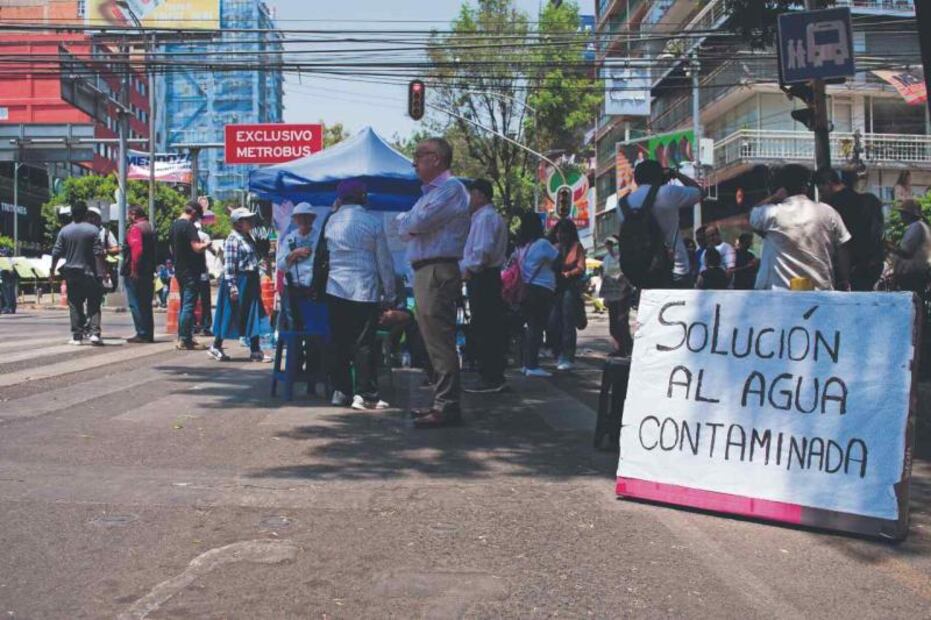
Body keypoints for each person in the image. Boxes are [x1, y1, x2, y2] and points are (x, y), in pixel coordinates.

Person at [395, 137, 471, 428]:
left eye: (419, 155)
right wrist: (410, 223)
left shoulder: (450, 190)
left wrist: (410, 223)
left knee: (439, 341)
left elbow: (413, 223)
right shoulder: (431, 193)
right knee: (432, 339)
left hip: (437, 270)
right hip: (427, 270)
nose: (414, 162)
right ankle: (442, 402)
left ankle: (447, 405)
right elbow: (406, 226)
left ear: (436, 159)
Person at [321, 180, 397, 410]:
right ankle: (365, 395)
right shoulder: (372, 222)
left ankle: (341, 392)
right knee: (364, 344)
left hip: (335, 288)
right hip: (364, 290)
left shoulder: (330, 221)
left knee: (340, 342)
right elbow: (384, 262)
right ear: (362, 197)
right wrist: (390, 294)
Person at [751, 164, 852, 291]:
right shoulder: (828, 212)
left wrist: (774, 197)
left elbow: (752, 215)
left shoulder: (772, 214)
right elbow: (843, 248)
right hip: (820, 294)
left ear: (781, 189)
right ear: (805, 187)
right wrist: (845, 280)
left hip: (778, 296)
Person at [616, 160, 703, 289]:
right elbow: (700, 192)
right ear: (660, 176)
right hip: (676, 269)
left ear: (636, 179)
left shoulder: (622, 204)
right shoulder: (668, 193)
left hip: (641, 274)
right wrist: (676, 174)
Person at [460, 178, 509, 393]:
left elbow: (482, 250)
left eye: (471, 195)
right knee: (486, 325)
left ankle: (491, 376)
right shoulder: (484, 217)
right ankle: (490, 373)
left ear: (480, 195)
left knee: (486, 327)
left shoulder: (485, 218)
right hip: (485, 276)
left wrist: (469, 271)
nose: (469, 200)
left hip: (484, 277)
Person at [208, 208, 273, 362]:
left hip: (251, 280)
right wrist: (232, 286)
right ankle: (216, 346)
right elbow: (229, 265)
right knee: (230, 313)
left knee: (253, 313)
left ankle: (256, 350)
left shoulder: (248, 237)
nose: (250, 222)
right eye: (246, 219)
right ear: (238, 223)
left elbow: (254, 259)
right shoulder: (233, 239)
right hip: (239, 280)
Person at [814, 168, 885, 291]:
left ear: (829, 184)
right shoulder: (871, 201)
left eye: (821, 190)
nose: (821, 195)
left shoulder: (831, 208)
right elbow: (878, 234)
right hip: (870, 267)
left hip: (845, 271)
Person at [49, 201, 104, 345]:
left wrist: (52, 270)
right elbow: (98, 253)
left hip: (72, 272)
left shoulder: (64, 231)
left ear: (72, 214)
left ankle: (77, 336)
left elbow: (56, 252)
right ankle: (94, 333)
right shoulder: (93, 230)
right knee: (93, 302)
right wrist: (101, 272)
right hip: (90, 272)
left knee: (74, 304)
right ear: (86, 213)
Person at [516, 211, 559, 377]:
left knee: (528, 327)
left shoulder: (521, 246)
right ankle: (532, 365)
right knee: (537, 327)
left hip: (525, 289)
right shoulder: (543, 244)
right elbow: (558, 260)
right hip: (542, 289)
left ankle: (526, 363)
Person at [170, 201, 210, 350]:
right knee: (188, 305)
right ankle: (185, 339)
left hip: (180, 269)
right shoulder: (188, 226)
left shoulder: (174, 225)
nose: (196, 220)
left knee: (185, 304)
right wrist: (207, 244)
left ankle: (183, 337)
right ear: (193, 213)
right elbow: (196, 248)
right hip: (191, 271)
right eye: (197, 217)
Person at [548, 218, 586, 371]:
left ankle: (567, 355)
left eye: (563, 232)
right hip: (555, 287)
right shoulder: (554, 247)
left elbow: (581, 267)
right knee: (553, 322)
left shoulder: (576, 247)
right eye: (558, 232)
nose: (559, 235)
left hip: (569, 287)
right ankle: (557, 351)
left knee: (568, 322)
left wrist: (568, 274)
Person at [123, 206, 156, 343]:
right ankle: (148, 332)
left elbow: (137, 250)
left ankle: (142, 332)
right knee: (146, 303)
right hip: (148, 270)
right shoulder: (149, 226)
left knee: (135, 302)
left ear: (133, 215)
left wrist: (134, 269)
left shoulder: (136, 228)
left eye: (129, 214)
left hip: (136, 271)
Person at [889, 199, 931, 300]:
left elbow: (906, 253)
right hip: (919, 274)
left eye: (903, 213)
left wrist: (887, 246)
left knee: (913, 305)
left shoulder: (916, 226)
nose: (901, 216)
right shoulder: (922, 226)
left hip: (912, 276)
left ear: (909, 214)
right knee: (918, 304)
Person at [600, 235, 633, 356]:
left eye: (612, 244)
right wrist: (605, 297)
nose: (609, 247)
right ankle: (619, 348)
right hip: (611, 292)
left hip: (623, 292)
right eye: (607, 244)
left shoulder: (624, 258)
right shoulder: (606, 259)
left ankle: (627, 348)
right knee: (613, 323)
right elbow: (605, 277)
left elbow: (627, 275)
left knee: (622, 321)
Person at [193, 221, 216, 336]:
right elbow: (213, 251)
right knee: (205, 300)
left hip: (191, 272)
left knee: (191, 300)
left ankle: (193, 326)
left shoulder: (186, 236)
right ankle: (205, 326)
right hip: (202, 272)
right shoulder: (204, 236)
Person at [0, 246, 17, 315]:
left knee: (8, 294)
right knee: (9, 293)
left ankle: (8, 308)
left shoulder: (6, 260)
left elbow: (10, 270)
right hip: (7, 278)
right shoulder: (8, 259)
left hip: (7, 278)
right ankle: (10, 308)